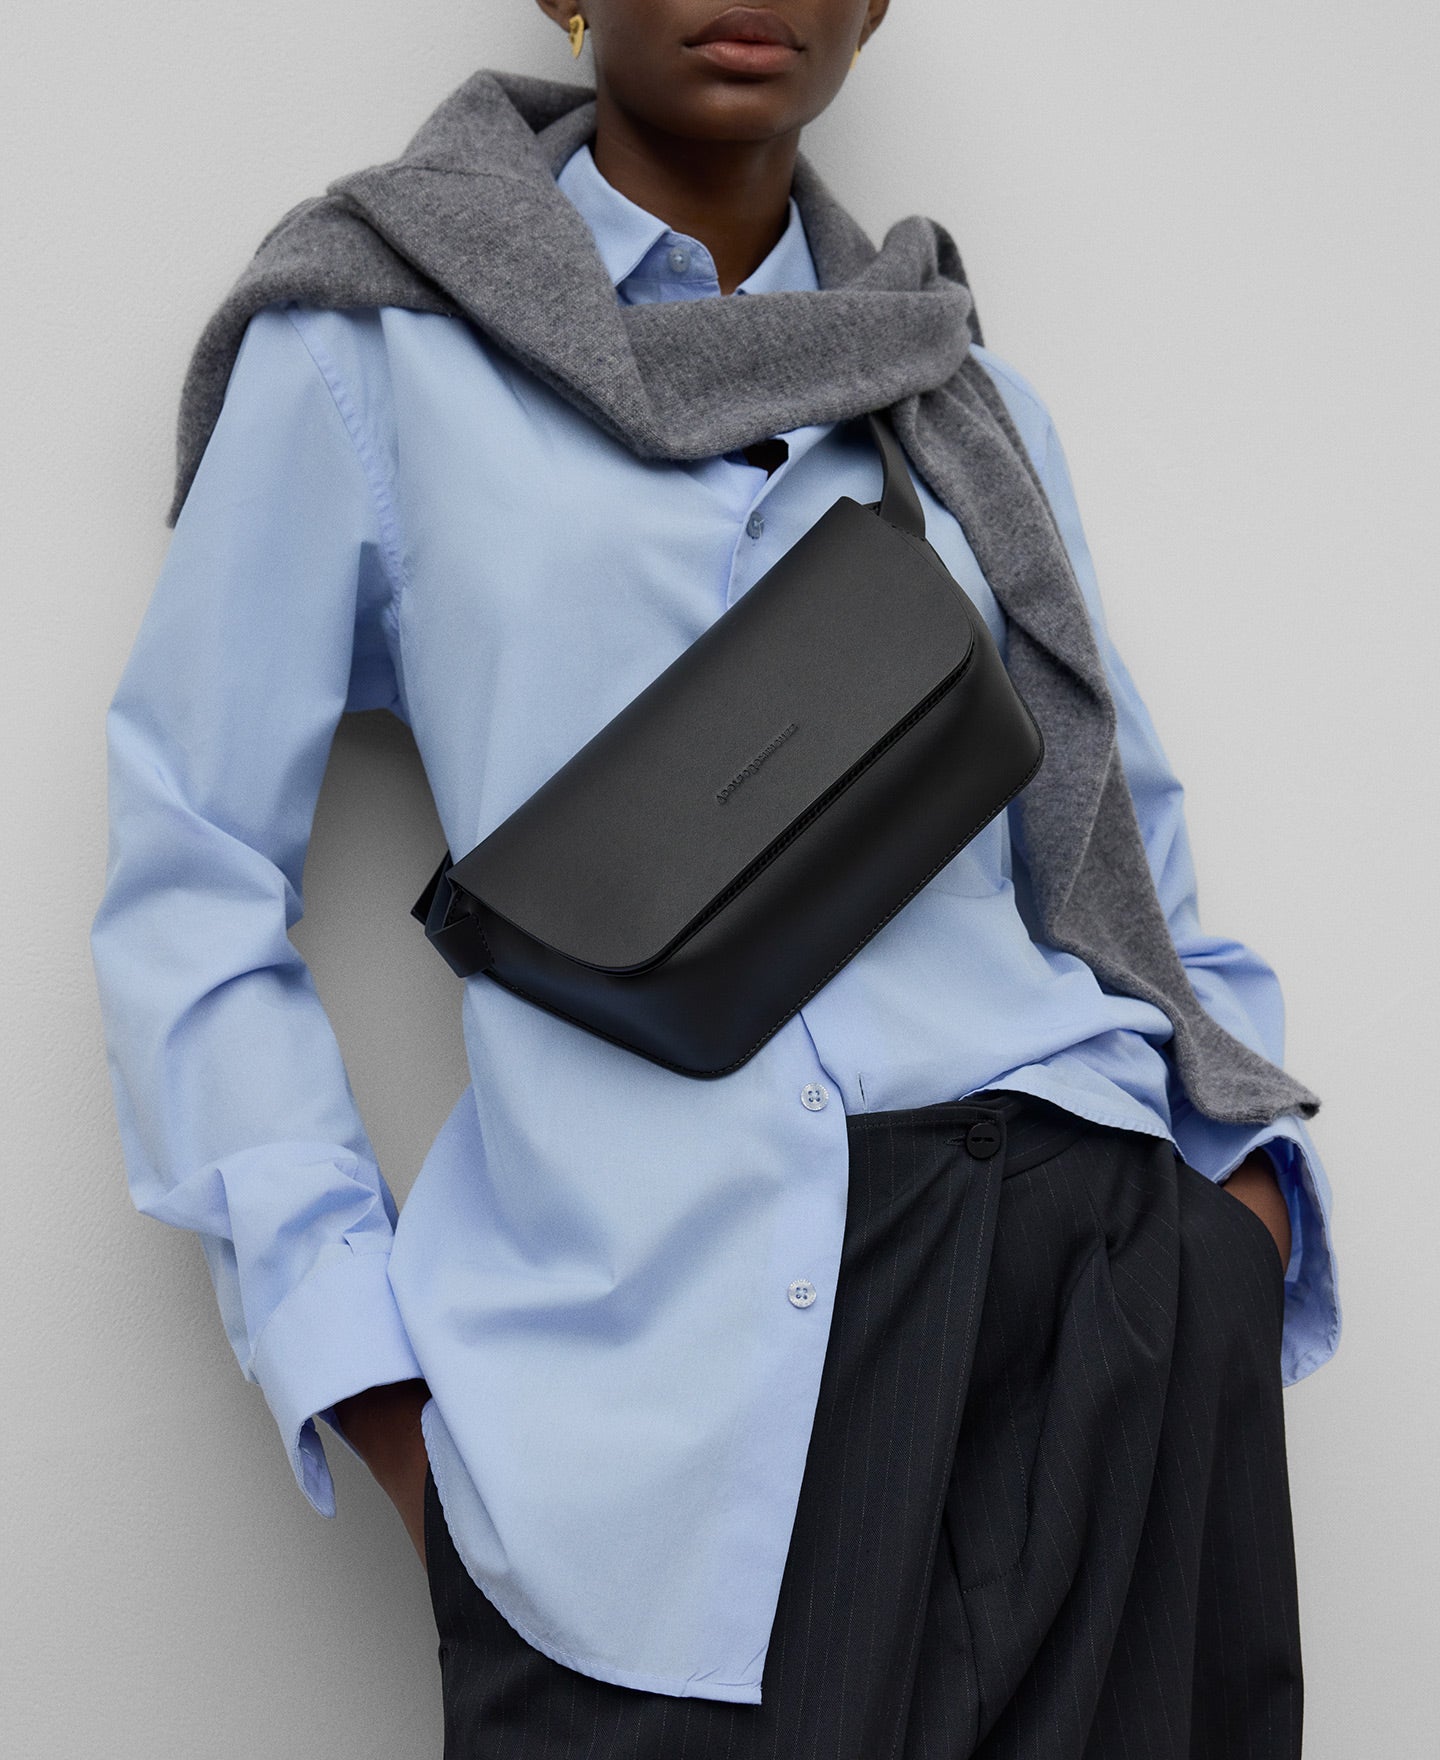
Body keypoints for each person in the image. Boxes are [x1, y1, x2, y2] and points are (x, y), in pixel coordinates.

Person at [90, 2, 1340, 1754]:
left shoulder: (953, 393)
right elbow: (193, 872)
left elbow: (1117, 843)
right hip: (651, 1401)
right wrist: (369, 1385)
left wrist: (1236, 1217)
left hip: (1094, 1312)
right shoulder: (375, 350)